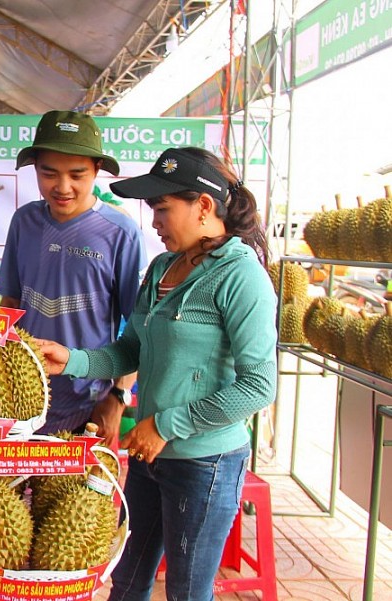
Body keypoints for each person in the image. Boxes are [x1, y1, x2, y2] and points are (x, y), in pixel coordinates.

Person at [37, 146, 277, 601]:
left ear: (203, 206)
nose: (155, 223)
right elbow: (131, 350)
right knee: (127, 578)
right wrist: (72, 359)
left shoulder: (241, 278)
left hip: (204, 462)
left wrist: (166, 426)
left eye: (163, 209)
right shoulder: (164, 268)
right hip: (152, 455)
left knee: (186, 590)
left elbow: (259, 386)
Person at [0, 109, 145, 443]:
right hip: (21, 398)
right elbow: (11, 303)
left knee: (75, 496)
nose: (63, 187)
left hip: (87, 404)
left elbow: (139, 327)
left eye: (77, 174)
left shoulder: (120, 233)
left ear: (97, 170)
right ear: (35, 169)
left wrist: (118, 398)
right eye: (49, 173)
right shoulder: (24, 222)